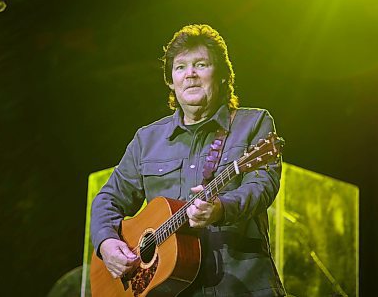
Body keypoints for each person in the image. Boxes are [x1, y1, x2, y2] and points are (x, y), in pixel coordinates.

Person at [90, 24, 286, 296]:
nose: (190, 74)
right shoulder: (146, 140)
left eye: (201, 64)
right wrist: (107, 242)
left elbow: (261, 186)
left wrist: (222, 208)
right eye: (180, 67)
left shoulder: (254, 124)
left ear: (222, 76)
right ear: (170, 80)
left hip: (241, 285)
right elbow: (108, 199)